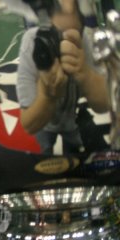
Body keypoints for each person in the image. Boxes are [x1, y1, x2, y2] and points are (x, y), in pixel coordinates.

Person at [16, 0, 109, 154]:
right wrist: (47, 95)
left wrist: (85, 75)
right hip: (45, 126)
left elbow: (104, 105)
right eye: (56, 35)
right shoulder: (32, 45)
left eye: (74, 33)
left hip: (71, 121)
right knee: (45, 152)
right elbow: (29, 125)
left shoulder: (85, 41)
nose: (64, 43)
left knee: (72, 150)